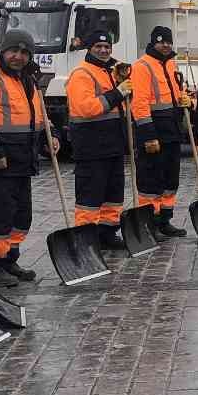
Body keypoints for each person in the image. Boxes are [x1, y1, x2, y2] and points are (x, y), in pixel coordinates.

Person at [0, 30, 50, 285]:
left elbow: (37, 115)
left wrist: (50, 137)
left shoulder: (26, 80)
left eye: (25, 52)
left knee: (20, 216)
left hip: (22, 161)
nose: (18, 56)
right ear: (3, 51)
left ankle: (8, 260)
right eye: (14, 51)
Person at [65, 30, 132, 251]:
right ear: (89, 48)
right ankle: (86, 238)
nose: (103, 50)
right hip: (91, 145)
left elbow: (119, 105)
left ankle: (107, 233)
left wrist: (124, 90)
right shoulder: (81, 74)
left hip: (112, 143)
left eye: (107, 47)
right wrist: (118, 93)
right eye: (98, 47)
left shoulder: (109, 72)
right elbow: (87, 108)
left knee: (113, 194)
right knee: (90, 196)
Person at [131, 25, 189, 238]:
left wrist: (185, 99)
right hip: (154, 130)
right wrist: (148, 135)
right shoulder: (142, 66)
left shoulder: (171, 64)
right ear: (153, 43)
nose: (165, 45)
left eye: (168, 41)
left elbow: (174, 92)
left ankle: (164, 219)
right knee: (150, 180)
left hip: (172, 129)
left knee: (170, 179)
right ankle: (149, 223)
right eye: (161, 41)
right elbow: (139, 103)